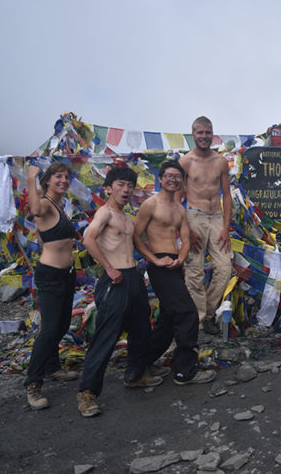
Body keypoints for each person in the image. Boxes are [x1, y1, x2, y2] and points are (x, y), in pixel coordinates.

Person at [77, 167, 163, 417]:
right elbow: (88, 240)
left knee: (141, 330)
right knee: (107, 334)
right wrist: (109, 268)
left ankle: (134, 376)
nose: (126, 190)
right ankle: (87, 393)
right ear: (108, 187)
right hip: (113, 279)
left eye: (130, 186)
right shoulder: (104, 213)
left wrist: (152, 264)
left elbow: (137, 245)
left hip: (132, 276)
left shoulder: (127, 218)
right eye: (121, 185)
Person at [133, 160, 216, 386]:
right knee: (187, 313)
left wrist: (180, 258)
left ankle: (140, 364)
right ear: (160, 179)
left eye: (177, 177)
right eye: (168, 176)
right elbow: (136, 237)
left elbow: (186, 239)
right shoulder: (150, 204)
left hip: (175, 265)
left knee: (168, 320)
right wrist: (155, 260)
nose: (173, 179)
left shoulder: (180, 208)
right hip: (160, 267)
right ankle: (184, 371)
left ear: (182, 181)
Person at [23, 162, 80, 410]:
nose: (64, 180)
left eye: (67, 177)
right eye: (58, 176)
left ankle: (53, 367)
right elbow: (35, 210)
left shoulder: (60, 205)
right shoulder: (45, 202)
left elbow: (41, 230)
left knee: (62, 325)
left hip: (67, 274)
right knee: (48, 330)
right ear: (48, 180)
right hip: (50, 276)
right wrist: (31, 178)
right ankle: (33, 384)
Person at [180, 116, 233, 336]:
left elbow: (227, 196)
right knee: (194, 270)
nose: (204, 137)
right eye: (200, 133)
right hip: (193, 216)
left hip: (217, 217)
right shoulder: (185, 162)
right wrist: (186, 229)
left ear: (213, 134)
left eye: (207, 132)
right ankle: (200, 320)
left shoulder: (220, 161)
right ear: (193, 134)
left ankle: (209, 312)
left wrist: (226, 227)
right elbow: (176, 199)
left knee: (225, 268)